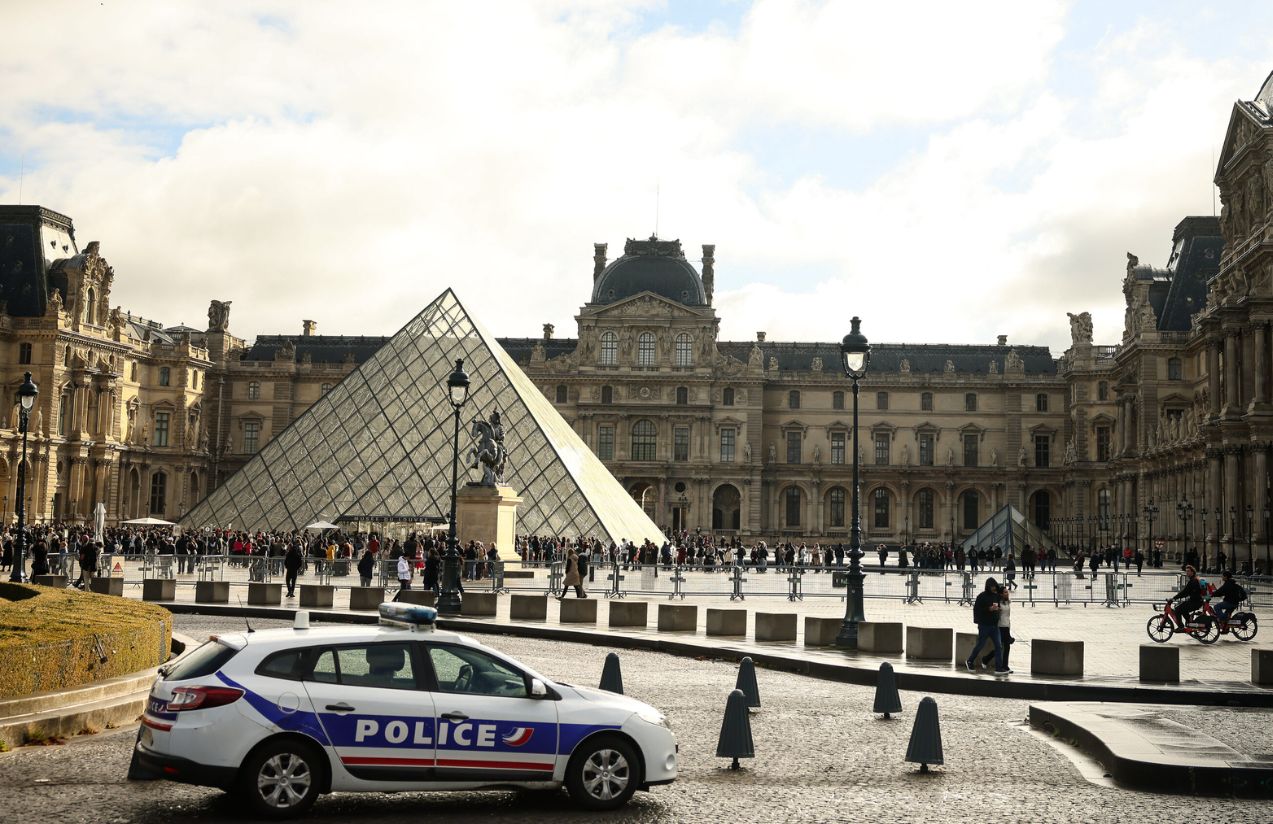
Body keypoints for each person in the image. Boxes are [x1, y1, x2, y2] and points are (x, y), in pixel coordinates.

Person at [965, 578, 1009, 675]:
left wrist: (997, 609)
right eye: (992, 587)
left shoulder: (996, 596)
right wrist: (989, 609)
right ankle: (969, 661)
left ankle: (998, 668)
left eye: (995, 586)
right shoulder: (981, 596)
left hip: (994, 626)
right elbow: (978, 610)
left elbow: (1000, 603)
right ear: (988, 587)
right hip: (984, 625)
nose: (994, 588)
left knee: (998, 646)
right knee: (980, 644)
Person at [980, 584, 1014, 670]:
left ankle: (986, 659)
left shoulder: (1008, 602)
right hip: (1000, 626)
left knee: (1003, 647)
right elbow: (992, 612)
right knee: (1004, 647)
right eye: (1005, 592)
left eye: (1007, 592)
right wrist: (996, 610)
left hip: (1006, 626)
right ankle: (1004, 666)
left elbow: (1007, 615)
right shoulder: (998, 603)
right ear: (1001, 594)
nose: (1007, 593)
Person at [1170, 565, 1203, 629]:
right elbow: (1186, 592)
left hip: (1195, 602)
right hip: (1196, 601)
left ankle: (1181, 627)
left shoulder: (1193, 581)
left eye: (1188, 571)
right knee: (1183, 610)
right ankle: (1190, 624)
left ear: (1192, 572)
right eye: (1186, 571)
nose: (1187, 573)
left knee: (1177, 610)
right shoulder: (1194, 579)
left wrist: (1174, 598)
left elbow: (1184, 592)